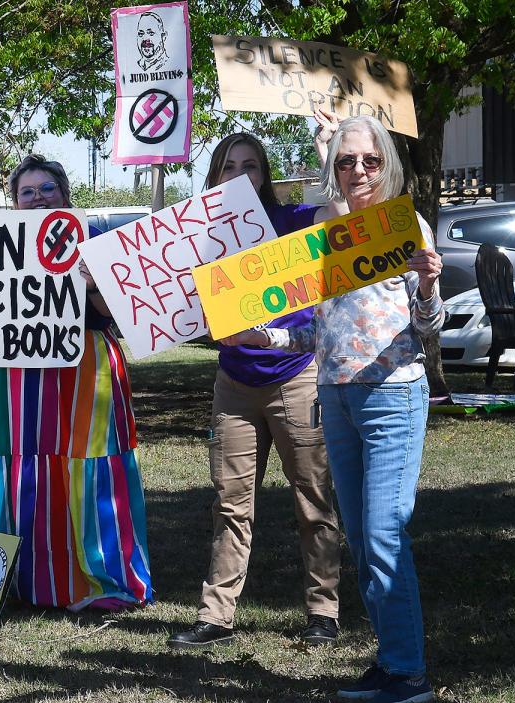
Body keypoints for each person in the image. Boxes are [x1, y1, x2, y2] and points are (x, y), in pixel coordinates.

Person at [220, 116, 443, 703]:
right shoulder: (325, 235)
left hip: (392, 395)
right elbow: (317, 335)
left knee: (383, 536)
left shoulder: (404, 226)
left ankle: (410, 675)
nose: (358, 172)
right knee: (364, 540)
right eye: (346, 162)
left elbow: (425, 327)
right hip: (336, 399)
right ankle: (393, 663)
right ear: (333, 170)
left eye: (369, 161)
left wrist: (426, 287)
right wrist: (262, 339)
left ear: (386, 164)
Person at [0, 154, 153, 610]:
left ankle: (104, 579)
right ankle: (12, 581)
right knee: (17, 470)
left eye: (48, 189)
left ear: (65, 195)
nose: (39, 199)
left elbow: (116, 313)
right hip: (13, 377)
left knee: (90, 467)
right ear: (14, 202)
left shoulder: (91, 239)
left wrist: (92, 283)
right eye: (28, 192)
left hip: (84, 370)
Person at [168, 133, 341, 650]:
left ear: (264, 174)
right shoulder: (202, 235)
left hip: (295, 375)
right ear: (215, 176)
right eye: (228, 166)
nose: (239, 174)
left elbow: (337, 220)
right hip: (234, 384)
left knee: (313, 500)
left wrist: (328, 151)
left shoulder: (290, 221)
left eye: (250, 165)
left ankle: (323, 612)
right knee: (230, 503)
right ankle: (216, 616)